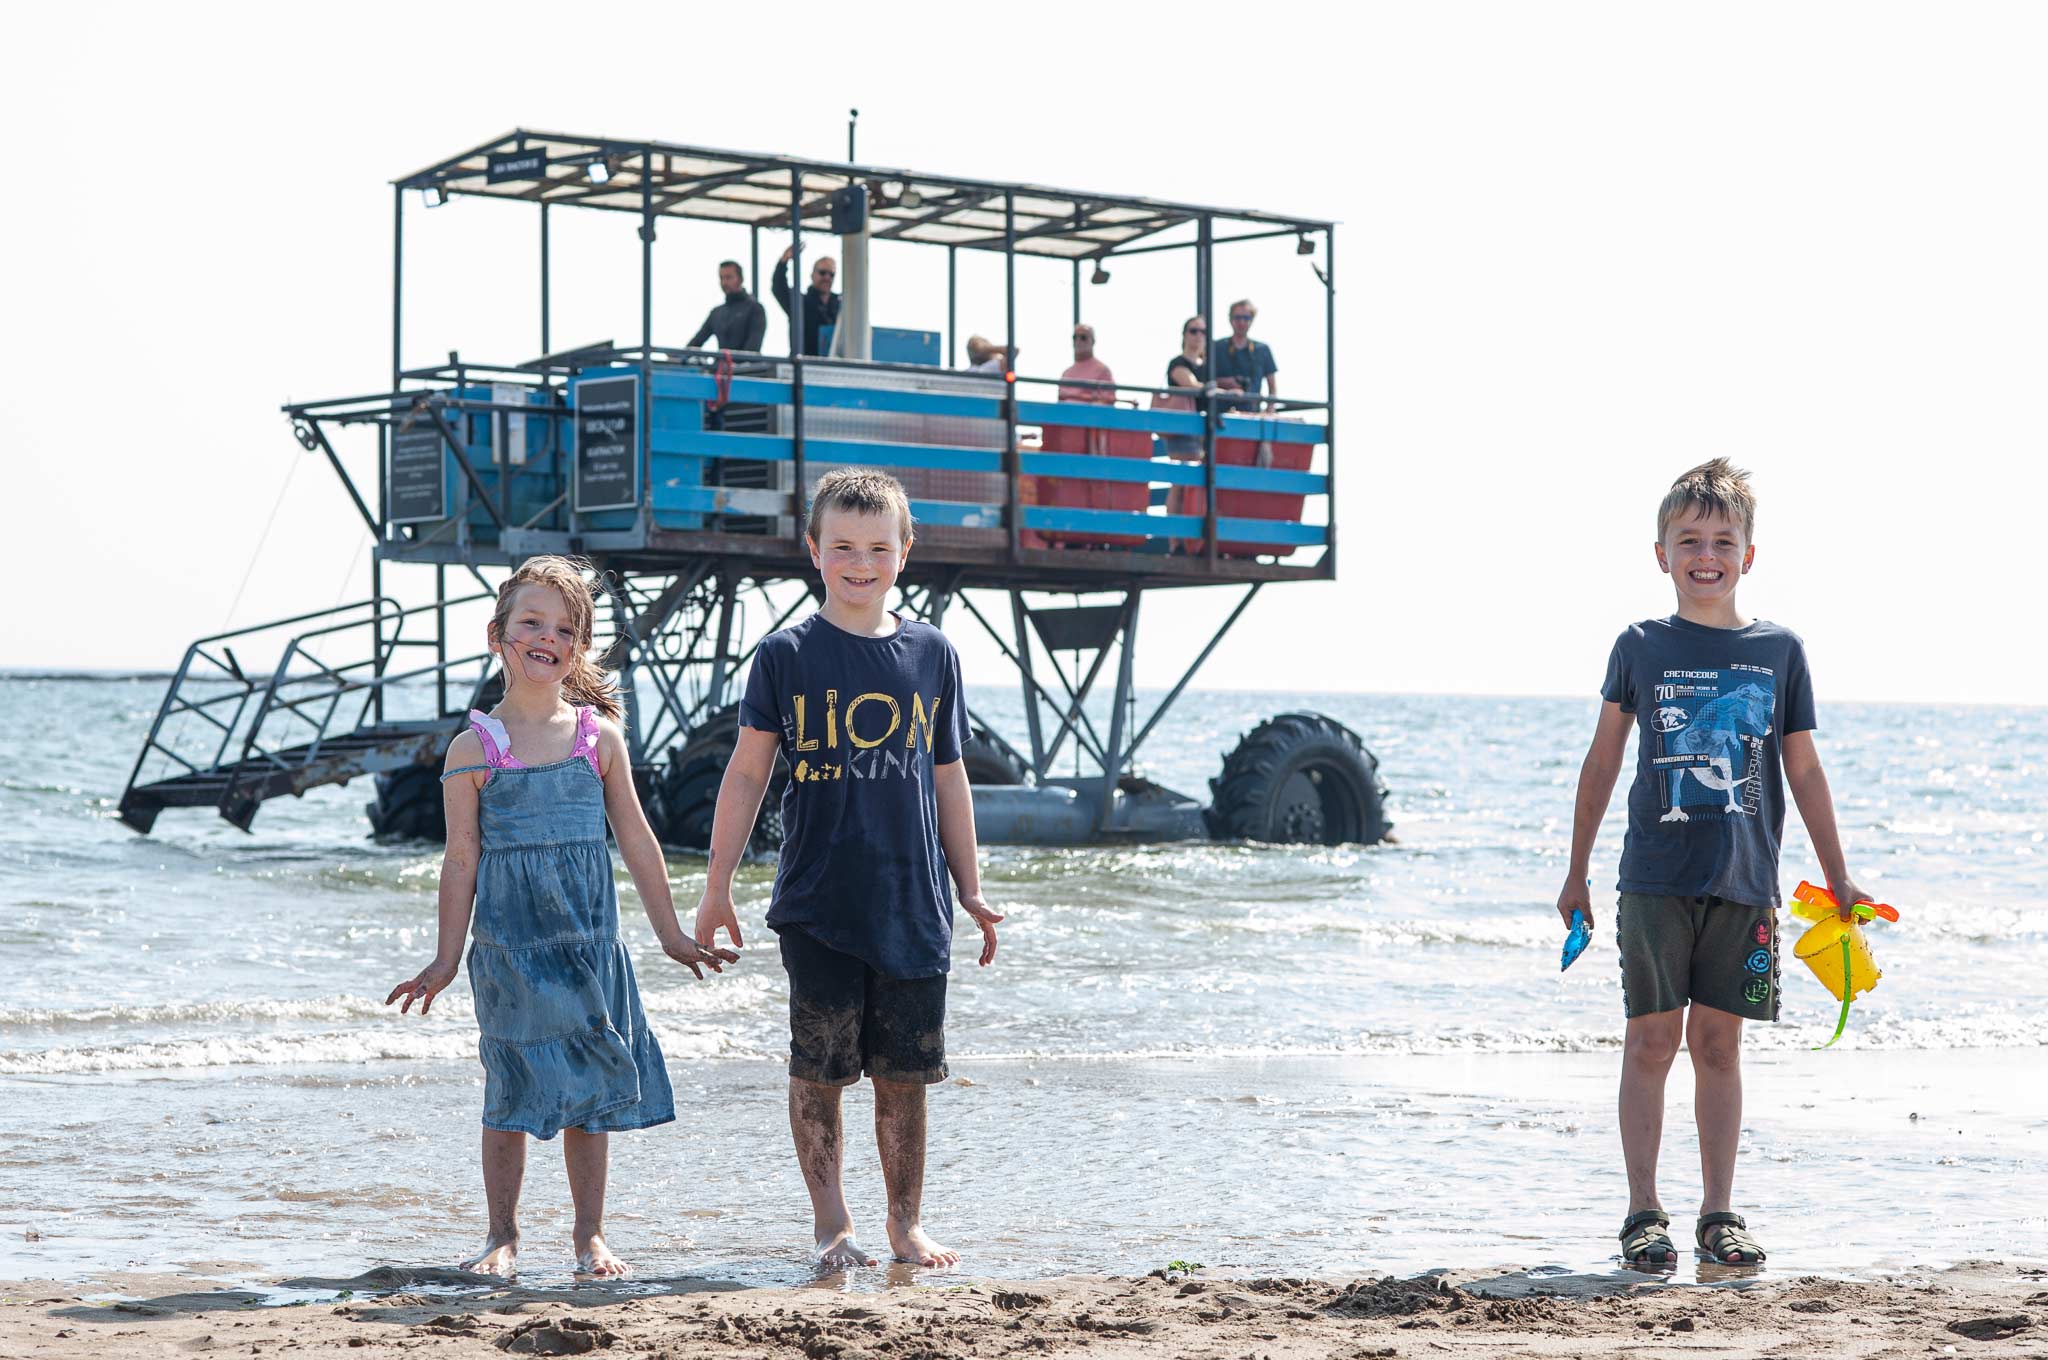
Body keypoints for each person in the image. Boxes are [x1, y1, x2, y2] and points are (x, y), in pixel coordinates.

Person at [1557, 459, 1869, 1270]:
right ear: (1661, 553)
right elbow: (1601, 762)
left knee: (1721, 1046)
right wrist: (1575, 871)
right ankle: (1642, 1212)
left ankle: (1719, 1212)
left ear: (1749, 555)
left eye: (1722, 540)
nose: (1706, 554)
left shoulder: (1780, 651)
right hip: (1654, 876)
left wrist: (1838, 874)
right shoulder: (1640, 646)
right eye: (1689, 539)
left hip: (1745, 880)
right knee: (1651, 1042)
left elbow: (1803, 769)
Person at [386, 556, 737, 1279]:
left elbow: (636, 839)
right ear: (498, 634)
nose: (548, 638)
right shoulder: (473, 749)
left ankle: (589, 1235)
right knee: (508, 1087)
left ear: (580, 648)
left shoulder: (597, 737)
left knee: (590, 1090)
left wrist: (670, 932)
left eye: (565, 629)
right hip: (510, 949)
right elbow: (461, 860)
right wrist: (446, 959)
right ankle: (502, 1234)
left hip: (586, 945)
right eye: (532, 623)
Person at [693, 468, 1002, 1271]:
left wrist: (969, 888)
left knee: (907, 1076)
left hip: (914, 903)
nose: (859, 563)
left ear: (906, 550)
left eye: (876, 547)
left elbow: (949, 778)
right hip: (818, 902)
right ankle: (831, 1221)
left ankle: (905, 1226)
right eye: (841, 547)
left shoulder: (933, 653)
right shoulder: (784, 655)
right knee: (819, 1068)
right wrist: (718, 884)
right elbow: (747, 775)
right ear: (813, 551)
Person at [772, 245, 841, 356]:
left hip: (833, 367)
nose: (827, 278)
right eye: (823, 273)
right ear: (812, 275)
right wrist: (783, 261)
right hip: (804, 365)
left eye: (831, 274)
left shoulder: (840, 306)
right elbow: (779, 288)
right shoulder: (800, 302)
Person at [687, 260, 768, 353]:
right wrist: (675, 357)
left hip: (745, 367)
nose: (724, 282)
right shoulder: (716, 313)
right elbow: (696, 342)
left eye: (728, 277)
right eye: (721, 278)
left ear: (740, 279)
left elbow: (752, 348)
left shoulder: (755, 309)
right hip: (720, 365)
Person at [1158, 314, 1211, 456]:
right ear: (1184, 335)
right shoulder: (1177, 363)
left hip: (1206, 429)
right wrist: (1221, 391)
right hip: (1181, 430)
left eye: (1203, 332)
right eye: (1193, 331)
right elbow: (1190, 385)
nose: (1198, 335)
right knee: (1184, 473)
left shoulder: (1209, 367)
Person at [1212, 298, 1277, 407]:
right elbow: (1204, 381)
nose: (1241, 322)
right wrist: (1225, 383)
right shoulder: (1216, 347)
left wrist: (1269, 410)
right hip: (1220, 414)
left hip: (1251, 416)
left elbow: (1272, 387)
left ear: (1252, 320)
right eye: (1237, 318)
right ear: (1230, 319)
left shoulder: (1262, 349)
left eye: (1246, 318)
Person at [1058, 323, 1115, 402]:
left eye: (1083, 337)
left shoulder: (1102, 370)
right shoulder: (1066, 373)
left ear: (1093, 341)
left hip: (1090, 414)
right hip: (1066, 413)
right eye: (1075, 337)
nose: (1078, 341)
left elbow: (1106, 402)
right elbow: (1060, 404)